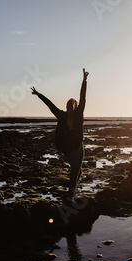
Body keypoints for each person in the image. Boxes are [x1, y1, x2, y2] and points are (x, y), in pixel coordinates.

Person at [31, 68, 89, 203]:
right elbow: (83, 97)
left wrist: (38, 94)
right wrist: (84, 81)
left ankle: (73, 192)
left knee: (77, 171)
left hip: (65, 152)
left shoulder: (61, 115)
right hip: (77, 150)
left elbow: (49, 104)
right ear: (75, 106)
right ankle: (70, 197)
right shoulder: (78, 114)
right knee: (75, 173)